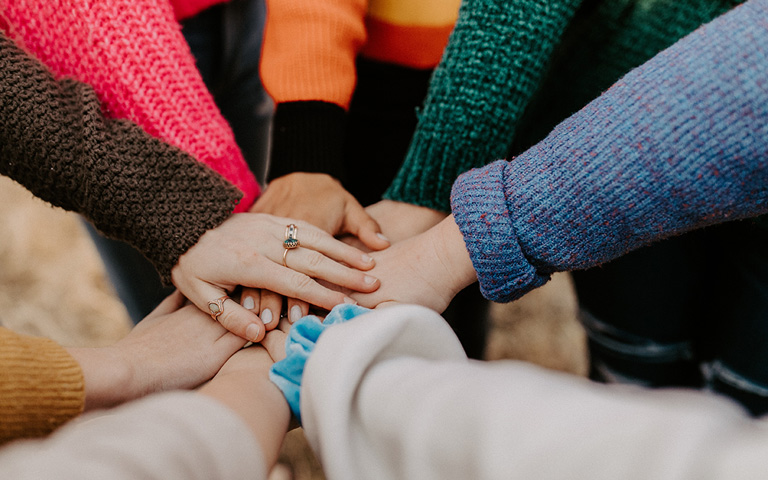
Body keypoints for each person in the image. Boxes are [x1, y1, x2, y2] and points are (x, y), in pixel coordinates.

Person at [349, 0, 768, 414]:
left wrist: (453, 242)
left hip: (612, 162)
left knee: (745, 414)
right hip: (618, 158)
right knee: (632, 389)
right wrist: (430, 190)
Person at [0, 30, 378, 343]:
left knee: (252, 263)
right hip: (99, 62)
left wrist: (305, 155)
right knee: (195, 332)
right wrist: (174, 210)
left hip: (248, 22)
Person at [0, 0, 275, 322]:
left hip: (242, 14)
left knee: (254, 242)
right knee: (198, 324)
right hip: (105, 44)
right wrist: (175, 202)